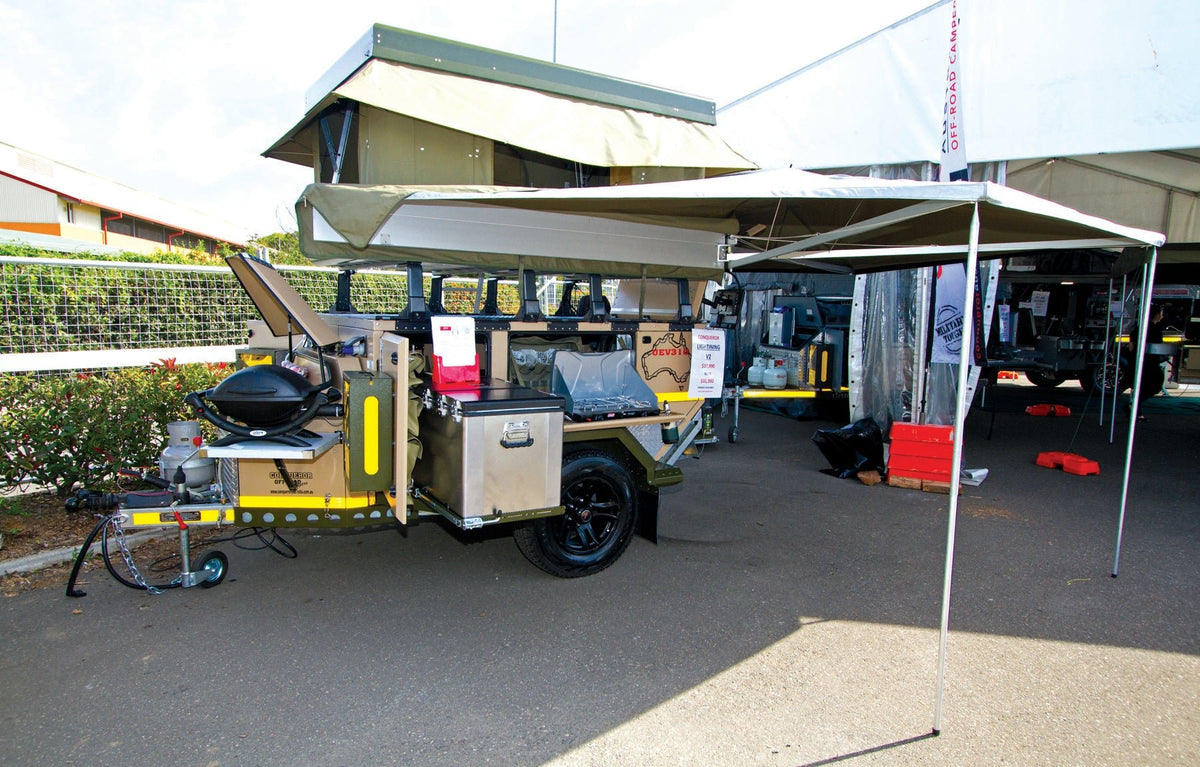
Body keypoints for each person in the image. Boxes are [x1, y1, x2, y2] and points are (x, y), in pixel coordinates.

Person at [1129, 305, 1166, 419]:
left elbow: (1131, 345)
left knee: (1142, 385)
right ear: (1156, 314)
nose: (1162, 315)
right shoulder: (1155, 329)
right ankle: (1135, 406)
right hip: (1150, 361)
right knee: (1155, 383)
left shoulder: (1140, 328)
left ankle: (1136, 410)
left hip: (1140, 360)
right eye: (1161, 313)